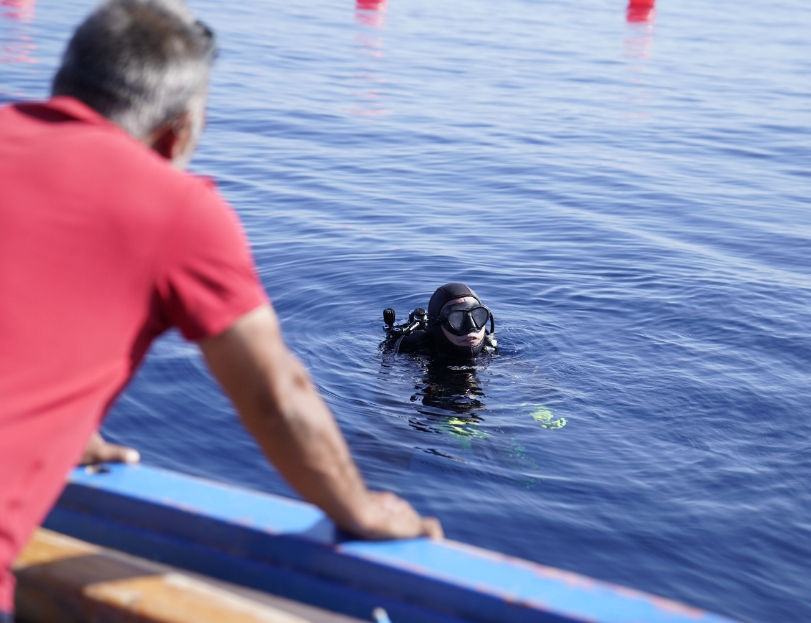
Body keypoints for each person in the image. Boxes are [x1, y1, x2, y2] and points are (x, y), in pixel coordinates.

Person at [0, 0, 441, 618]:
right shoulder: (174, 207)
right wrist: (362, 509)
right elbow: (275, 396)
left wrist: (68, 431)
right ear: (178, 132)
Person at [382, 283, 496, 359]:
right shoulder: (415, 356)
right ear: (437, 326)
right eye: (456, 318)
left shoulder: (488, 349)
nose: (471, 327)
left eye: (478, 316)